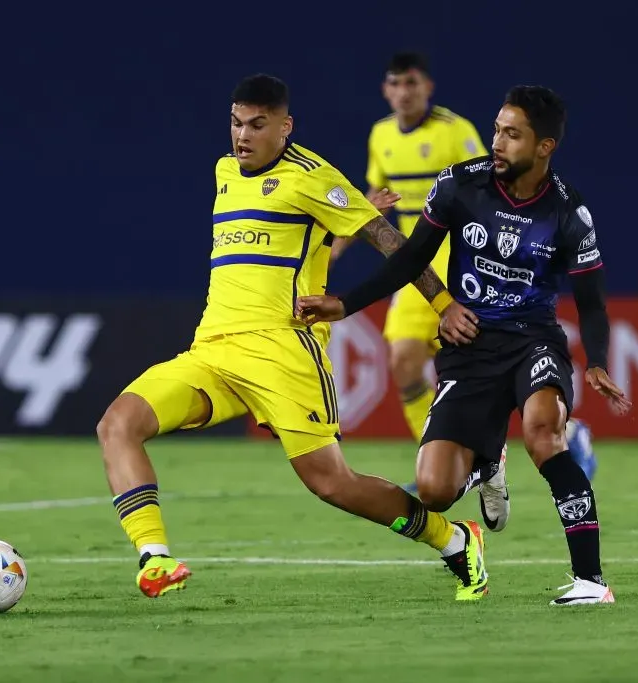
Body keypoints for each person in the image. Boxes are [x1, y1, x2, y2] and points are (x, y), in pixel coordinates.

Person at [96, 74, 489, 602]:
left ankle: (453, 539)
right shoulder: (223, 173)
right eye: (236, 123)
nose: (243, 136)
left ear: (285, 127)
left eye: (258, 125)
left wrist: (441, 304)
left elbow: (392, 240)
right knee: (118, 424)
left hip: (285, 353)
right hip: (212, 349)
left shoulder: (311, 176)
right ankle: (155, 558)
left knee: (334, 485)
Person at [297, 85, 632, 605]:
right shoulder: (459, 185)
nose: (497, 142)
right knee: (433, 490)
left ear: (544, 147)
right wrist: (346, 304)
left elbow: (591, 301)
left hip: (532, 342)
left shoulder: (569, 213)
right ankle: (488, 463)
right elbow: (410, 259)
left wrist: (599, 362)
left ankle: (590, 582)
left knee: (545, 436)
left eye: (512, 134)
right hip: (468, 346)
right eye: (497, 129)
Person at [331, 51, 487, 446]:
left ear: (428, 88)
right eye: (396, 83)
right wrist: (341, 242)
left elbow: (489, 191)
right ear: (385, 90)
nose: (404, 92)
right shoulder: (380, 135)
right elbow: (374, 196)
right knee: (403, 360)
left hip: (462, 258)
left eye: (412, 83)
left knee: (490, 369)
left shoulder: (455, 131)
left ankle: (569, 437)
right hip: (415, 261)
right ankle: (435, 452)